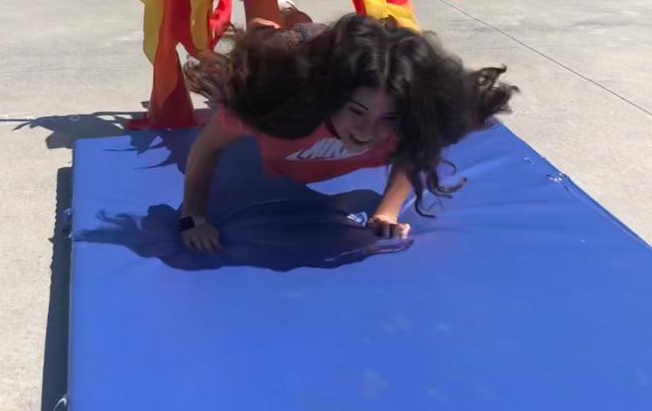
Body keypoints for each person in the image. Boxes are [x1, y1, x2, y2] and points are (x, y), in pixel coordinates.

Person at [178, 13, 517, 252]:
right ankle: (271, 21)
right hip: (305, 53)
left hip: (337, 54)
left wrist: (388, 209)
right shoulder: (281, 107)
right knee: (274, 49)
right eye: (356, 111)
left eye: (387, 118)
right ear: (333, 99)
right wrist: (193, 217)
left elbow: (418, 146)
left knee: (315, 42)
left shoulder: (405, 119)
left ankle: (285, 16)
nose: (368, 131)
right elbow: (207, 147)